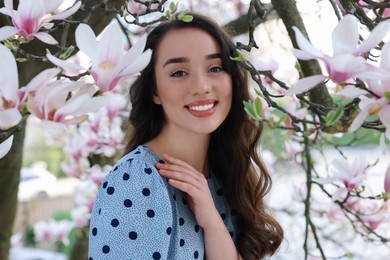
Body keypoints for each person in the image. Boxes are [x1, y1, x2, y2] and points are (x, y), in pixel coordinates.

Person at [88, 12, 283, 260]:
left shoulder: (226, 174)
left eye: (215, 67)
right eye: (179, 72)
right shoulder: (137, 181)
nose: (201, 86)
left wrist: (212, 225)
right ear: (154, 91)